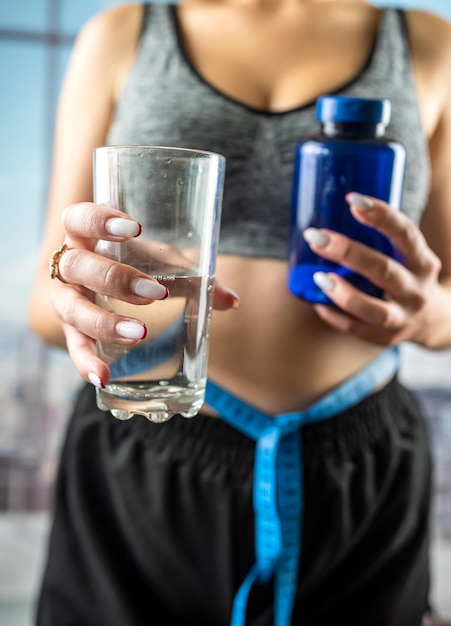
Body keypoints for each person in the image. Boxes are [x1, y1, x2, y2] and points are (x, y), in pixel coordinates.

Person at [28, 0, 451, 625]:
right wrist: (75, 284)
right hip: (144, 443)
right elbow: (46, 294)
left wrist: (425, 318)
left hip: (358, 454)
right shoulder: (121, 35)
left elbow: (444, 302)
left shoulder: (428, 44)